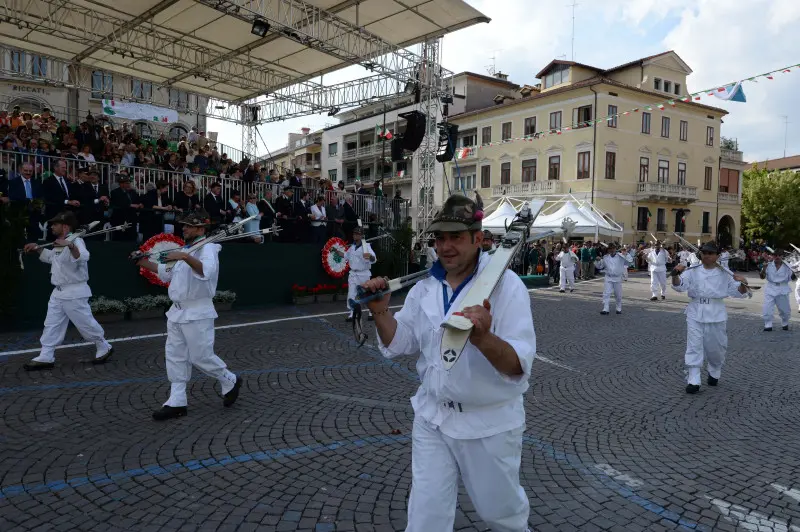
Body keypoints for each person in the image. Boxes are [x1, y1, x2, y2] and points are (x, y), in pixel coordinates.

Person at [359, 194, 535, 532]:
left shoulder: (506, 287)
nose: (446, 246)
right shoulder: (425, 286)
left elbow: (517, 366)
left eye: (456, 237)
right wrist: (380, 310)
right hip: (432, 417)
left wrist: (484, 336)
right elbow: (401, 343)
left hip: (488, 424)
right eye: (440, 238)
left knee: (502, 516)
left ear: (479, 239)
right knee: (425, 518)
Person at [134, 209, 242, 420]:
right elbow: (165, 273)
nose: (183, 228)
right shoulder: (187, 248)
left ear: (201, 229)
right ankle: (177, 401)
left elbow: (206, 272)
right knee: (175, 356)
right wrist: (141, 261)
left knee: (201, 356)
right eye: (183, 225)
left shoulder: (208, 248)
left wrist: (184, 256)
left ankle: (229, 379)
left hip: (198, 310)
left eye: (188, 226)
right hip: (177, 311)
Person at [21, 211, 113, 371]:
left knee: (85, 323)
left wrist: (70, 246)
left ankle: (104, 346)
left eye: (54, 224)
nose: (51, 227)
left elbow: (83, 257)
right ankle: (46, 355)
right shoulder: (59, 242)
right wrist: (38, 249)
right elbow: (53, 259)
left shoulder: (77, 241)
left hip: (74, 292)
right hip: (58, 292)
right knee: (51, 324)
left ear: (64, 226)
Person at [671, 242, 750, 394]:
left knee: (716, 349)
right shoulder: (692, 270)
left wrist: (743, 283)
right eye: (704, 253)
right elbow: (680, 285)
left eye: (710, 253)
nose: (707, 256)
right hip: (695, 311)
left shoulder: (725, 273)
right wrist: (675, 275)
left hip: (716, 312)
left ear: (717, 256)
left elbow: (738, 292)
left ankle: (715, 369)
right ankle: (693, 379)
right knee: (694, 346)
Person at [337, 226, 376, 321]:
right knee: (351, 294)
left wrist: (370, 256)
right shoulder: (352, 247)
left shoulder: (366, 246)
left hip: (363, 274)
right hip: (353, 274)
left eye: (357, 234)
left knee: (366, 294)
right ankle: (352, 313)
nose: (355, 235)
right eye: (354, 234)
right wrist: (336, 251)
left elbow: (374, 259)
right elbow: (345, 255)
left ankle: (371, 312)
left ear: (362, 236)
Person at [759, 249, 796, 331]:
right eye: (775, 255)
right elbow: (762, 277)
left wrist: (795, 272)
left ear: (782, 256)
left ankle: (785, 322)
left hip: (783, 288)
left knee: (785, 310)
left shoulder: (788, 266)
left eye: (779, 255)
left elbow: (793, 278)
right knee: (767, 308)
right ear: (772, 256)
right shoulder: (768, 265)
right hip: (770, 287)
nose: (777, 257)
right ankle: (768, 324)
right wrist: (764, 268)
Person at [595, 243, 633, 315]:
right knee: (606, 293)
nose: (612, 250)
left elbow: (630, 262)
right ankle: (606, 309)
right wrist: (597, 261)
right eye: (610, 249)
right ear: (608, 250)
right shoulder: (605, 257)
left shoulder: (621, 256)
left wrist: (626, 254)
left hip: (617, 278)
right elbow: (599, 267)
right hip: (608, 277)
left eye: (613, 248)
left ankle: (618, 307)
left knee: (618, 294)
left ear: (615, 249)